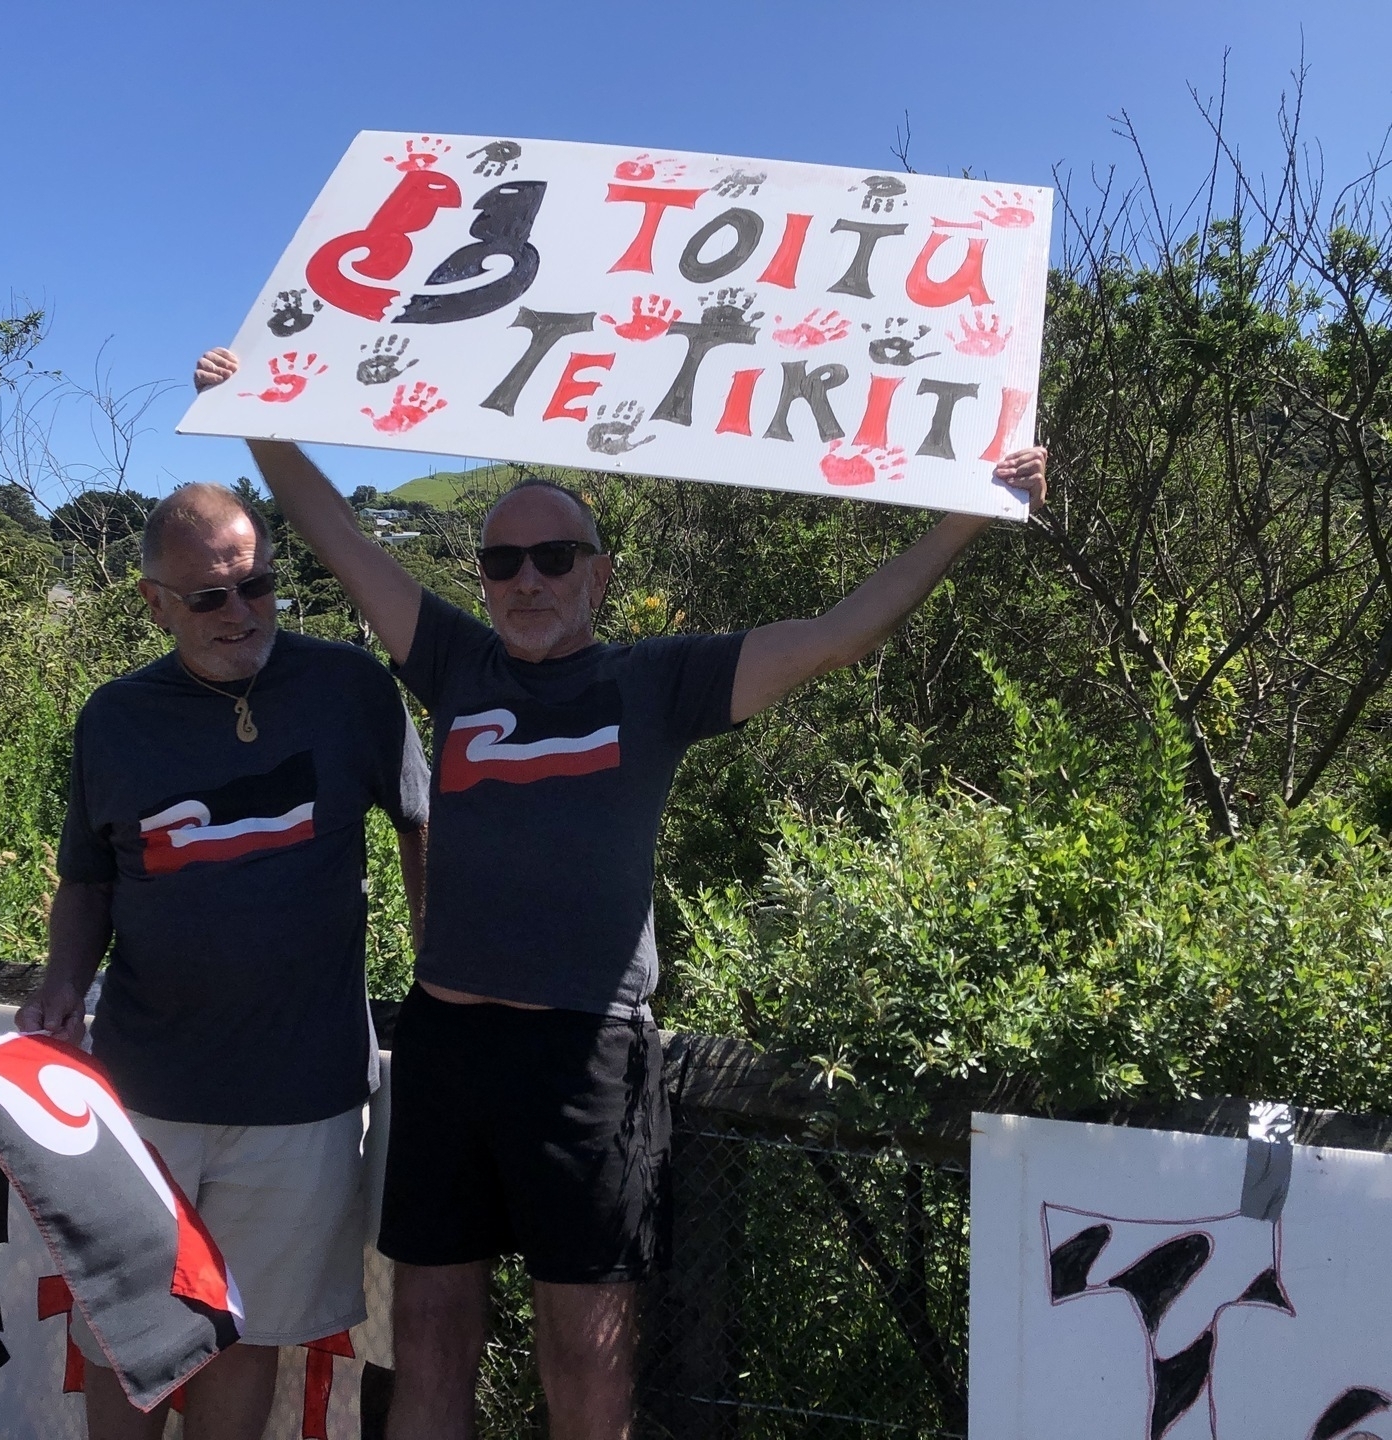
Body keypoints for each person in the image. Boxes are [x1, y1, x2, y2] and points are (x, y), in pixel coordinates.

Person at [202, 342, 1047, 1440]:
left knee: (587, 1361)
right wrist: (256, 417)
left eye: (555, 558)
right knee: (429, 1338)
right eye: (503, 564)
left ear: (598, 575)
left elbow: (843, 635)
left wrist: (967, 513)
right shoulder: (456, 664)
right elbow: (342, 538)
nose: (528, 582)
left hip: (585, 1056)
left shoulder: (655, 684)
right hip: (448, 1050)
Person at [16, 471, 430, 1440]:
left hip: (304, 1095)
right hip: (145, 1089)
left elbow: (423, 823)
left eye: (259, 586)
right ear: (156, 604)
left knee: (243, 1334)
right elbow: (89, 879)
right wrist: (63, 982)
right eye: (209, 596)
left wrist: (440, 972)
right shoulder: (114, 719)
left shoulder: (351, 690)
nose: (241, 612)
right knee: (132, 1332)